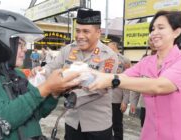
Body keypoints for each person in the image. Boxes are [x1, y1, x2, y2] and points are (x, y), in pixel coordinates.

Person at [0, 10, 79, 140]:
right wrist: (46, 87)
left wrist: (55, 92)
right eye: (20, 44)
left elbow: (37, 112)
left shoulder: (16, 74)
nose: (25, 49)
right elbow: (2, 119)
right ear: (0, 45)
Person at [88, 10, 181, 140]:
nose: (154, 33)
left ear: (176, 32)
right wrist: (91, 75)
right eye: (153, 29)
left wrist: (112, 79)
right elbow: (124, 77)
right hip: (150, 134)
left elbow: (160, 86)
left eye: (160, 28)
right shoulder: (146, 62)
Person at [33, 9, 118, 140]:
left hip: (97, 124)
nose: (80, 36)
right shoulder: (68, 49)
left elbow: (102, 87)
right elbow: (53, 66)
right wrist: (42, 71)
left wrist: (72, 94)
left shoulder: (109, 55)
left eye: (86, 31)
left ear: (98, 33)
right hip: (72, 121)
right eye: (78, 31)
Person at [130, 38, 157, 127]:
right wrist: (133, 102)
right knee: (145, 130)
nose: (153, 43)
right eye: (151, 41)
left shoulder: (170, 60)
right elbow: (137, 81)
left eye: (155, 40)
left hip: (162, 106)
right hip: (145, 105)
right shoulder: (144, 59)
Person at [108, 41, 131, 140]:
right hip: (104, 98)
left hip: (117, 99)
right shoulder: (105, 58)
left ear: (114, 45)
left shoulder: (125, 60)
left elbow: (127, 81)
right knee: (104, 125)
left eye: (109, 45)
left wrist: (125, 101)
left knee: (117, 125)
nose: (107, 48)